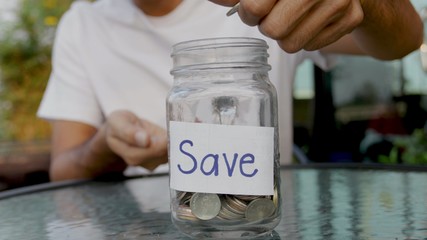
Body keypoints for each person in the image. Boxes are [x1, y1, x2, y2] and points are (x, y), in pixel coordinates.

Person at [37, 0, 423, 181]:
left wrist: (367, 2)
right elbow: (63, 170)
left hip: (265, 222)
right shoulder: (82, 24)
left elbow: (404, 41)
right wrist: (107, 144)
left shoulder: (256, 3)